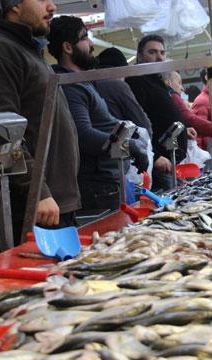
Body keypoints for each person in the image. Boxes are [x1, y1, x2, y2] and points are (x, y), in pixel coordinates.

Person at [0, 0, 81, 244]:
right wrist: (37, 192)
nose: (52, 7)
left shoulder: (29, 51)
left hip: (53, 204)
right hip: (33, 209)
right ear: (15, 5)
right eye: (42, 0)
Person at [47, 16, 148, 213]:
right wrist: (130, 145)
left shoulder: (82, 82)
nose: (91, 44)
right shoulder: (70, 86)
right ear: (68, 47)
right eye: (85, 38)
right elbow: (83, 135)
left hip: (106, 182)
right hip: (96, 187)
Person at [125, 35, 194, 191]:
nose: (159, 57)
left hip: (170, 161)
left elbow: (159, 115)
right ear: (140, 56)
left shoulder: (155, 80)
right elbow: (135, 125)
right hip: (159, 164)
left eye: (162, 53)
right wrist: (154, 156)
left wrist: (183, 129)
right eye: (152, 52)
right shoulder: (137, 81)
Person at [94, 47, 153, 136]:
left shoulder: (88, 85)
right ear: (122, 71)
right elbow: (143, 124)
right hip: (120, 143)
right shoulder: (117, 85)